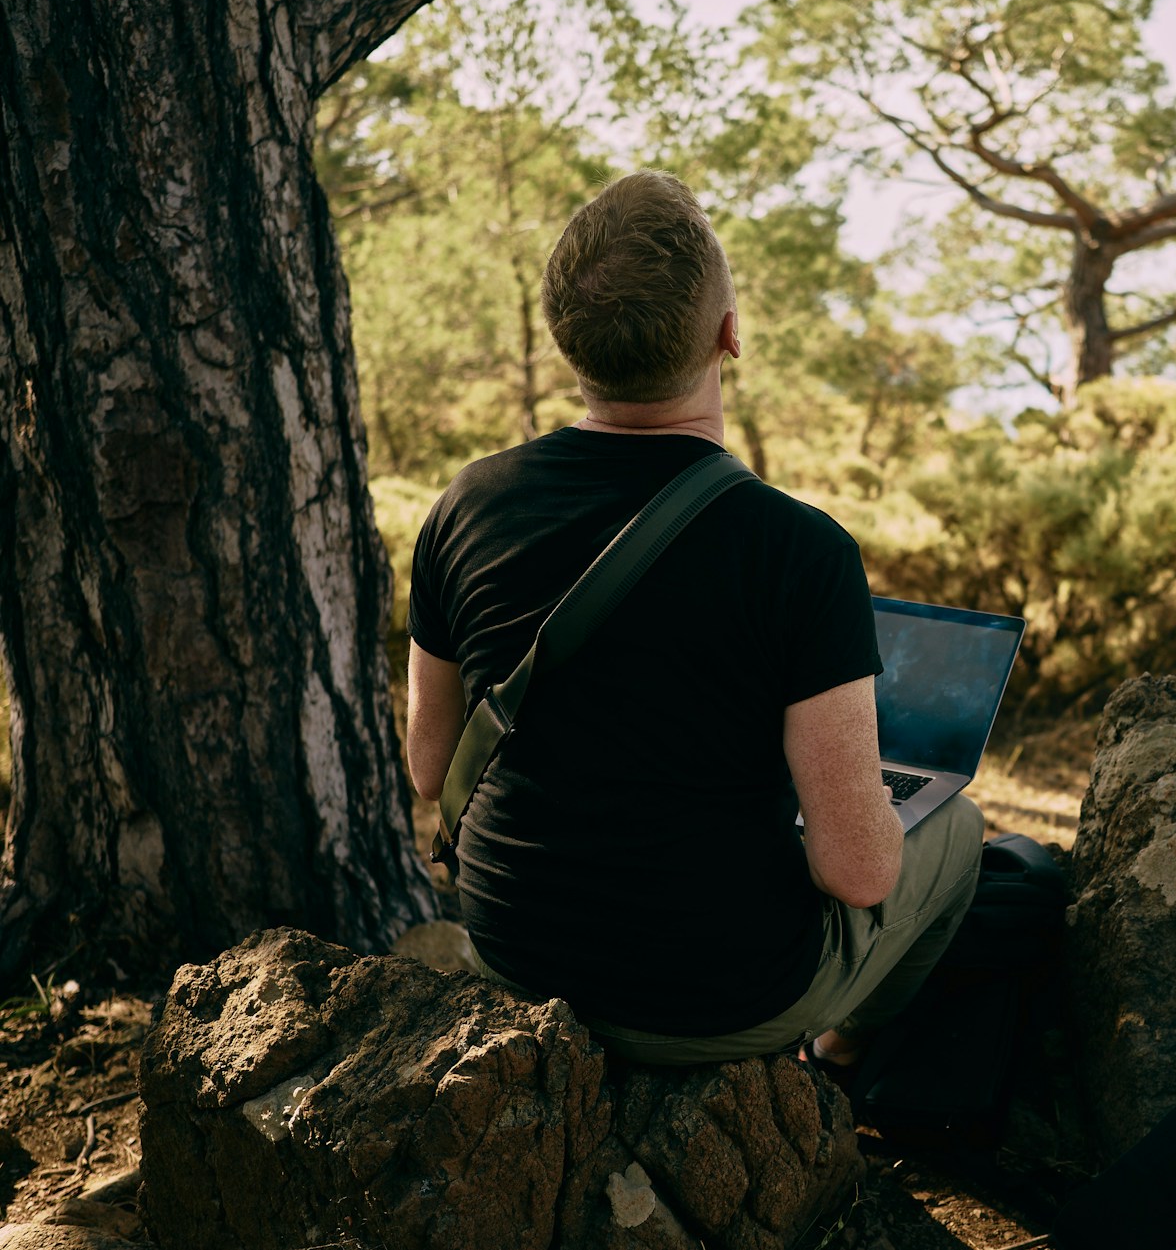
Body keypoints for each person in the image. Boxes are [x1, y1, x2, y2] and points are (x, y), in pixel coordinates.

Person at [403, 169, 985, 1069]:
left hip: (518, 956)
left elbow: (431, 764)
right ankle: (841, 1061)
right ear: (728, 335)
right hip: (715, 998)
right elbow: (857, 873)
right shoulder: (800, 550)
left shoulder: (464, 504)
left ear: (569, 340)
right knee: (961, 827)